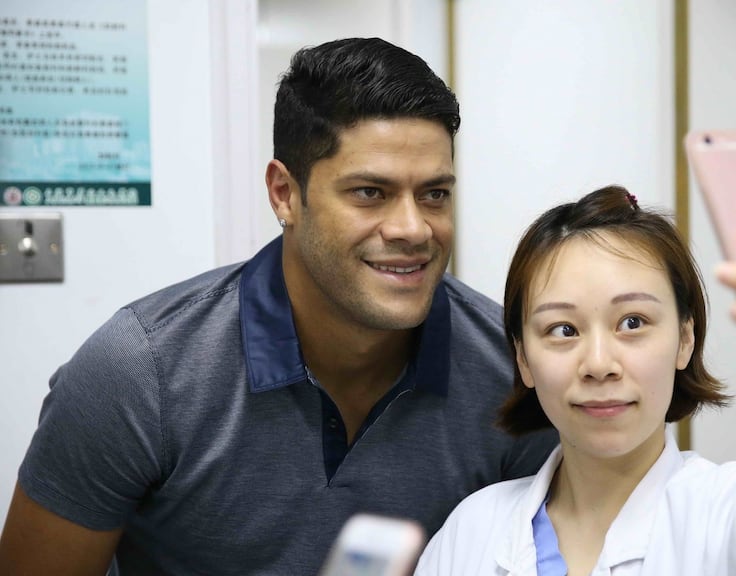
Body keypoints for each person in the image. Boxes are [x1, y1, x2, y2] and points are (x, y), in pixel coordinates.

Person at [0, 38, 557, 575]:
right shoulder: (139, 373)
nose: (413, 229)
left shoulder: (513, 371)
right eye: (370, 192)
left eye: (434, 193)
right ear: (284, 194)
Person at [415, 186, 736, 575]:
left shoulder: (722, 513)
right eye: (562, 330)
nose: (598, 363)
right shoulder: (472, 531)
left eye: (632, 322)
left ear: (685, 339)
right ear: (523, 360)